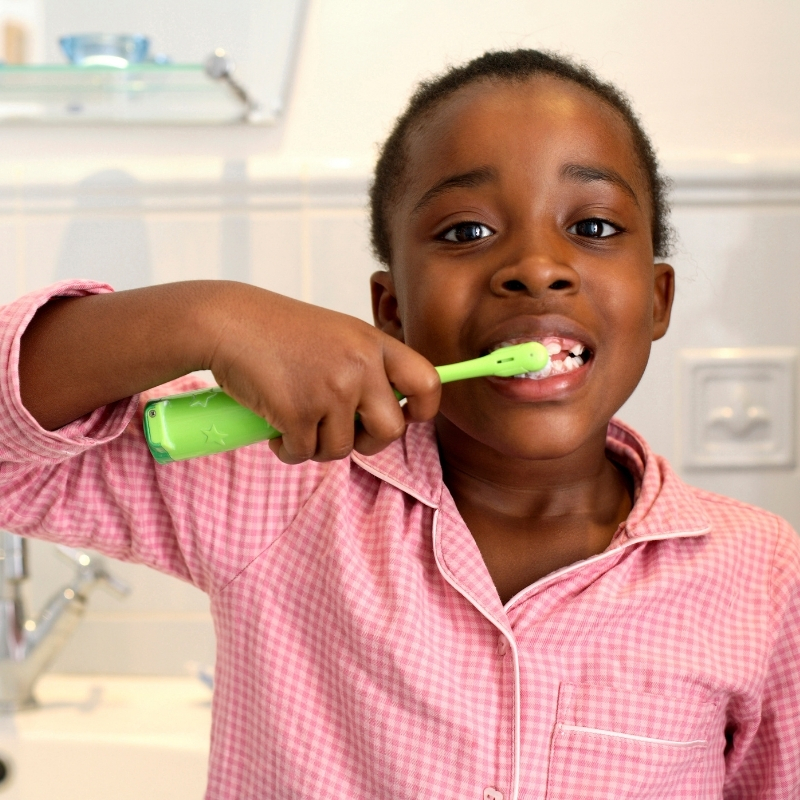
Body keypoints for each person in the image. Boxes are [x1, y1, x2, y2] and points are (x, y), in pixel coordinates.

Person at [1, 49, 798, 799]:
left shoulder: (762, 577)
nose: (536, 266)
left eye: (591, 227)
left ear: (658, 299)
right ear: (393, 311)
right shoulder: (284, 482)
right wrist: (209, 315)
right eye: (466, 232)